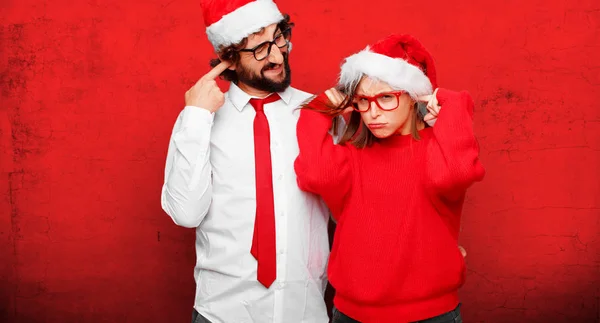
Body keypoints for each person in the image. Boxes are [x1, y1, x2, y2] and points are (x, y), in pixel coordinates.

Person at [294, 34, 485, 323]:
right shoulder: (352, 155)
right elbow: (316, 175)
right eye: (362, 101)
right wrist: (316, 111)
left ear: (412, 97)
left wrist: (453, 104)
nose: (372, 113)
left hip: (431, 315)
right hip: (352, 314)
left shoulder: (437, 150)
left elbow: (456, 174)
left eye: (386, 98)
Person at [160, 1, 330, 322]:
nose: (278, 56)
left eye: (280, 38)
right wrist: (195, 116)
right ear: (229, 59)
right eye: (260, 49)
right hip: (221, 313)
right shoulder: (201, 120)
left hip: (304, 311)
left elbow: (360, 202)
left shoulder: (319, 113)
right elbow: (185, 213)